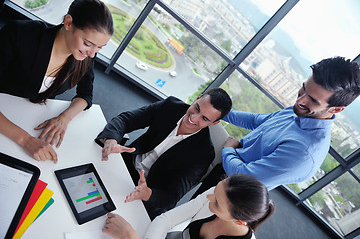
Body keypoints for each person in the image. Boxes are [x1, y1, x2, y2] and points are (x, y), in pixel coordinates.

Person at [194, 56, 360, 196]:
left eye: (313, 100)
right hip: (228, 164)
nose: (300, 100)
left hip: (232, 193)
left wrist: (228, 150)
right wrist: (215, 110)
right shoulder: (299, 111)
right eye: (303, 89)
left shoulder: (305, 152)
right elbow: (256, 121)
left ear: (336, 109)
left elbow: (245, 177)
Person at [0, 0, 113, 163]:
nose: (92, 54)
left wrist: (64, 118)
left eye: (99, 48)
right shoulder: (20, 34)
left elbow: (86, 95)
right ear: (68, 22)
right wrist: (25, 140)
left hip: (27, 117)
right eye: (88, 44)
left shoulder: (83, 56)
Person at [95, 88, 232, 219]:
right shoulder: (171, 106)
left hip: (145, 191)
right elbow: (126, 120)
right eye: (196, 108)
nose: (194, 118)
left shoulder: (204, 154)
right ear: (197, 98)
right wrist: (112, 140)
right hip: (124, 164)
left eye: (205, 119)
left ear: (214, 123)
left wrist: (147, 193)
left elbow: (172, 196)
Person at [102, 174, 275, 239]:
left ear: (238, 221)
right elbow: (165, 219)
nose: (208, 197)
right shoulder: (218, 193)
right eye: (216, 189)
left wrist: (131, 237)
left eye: (216, 203)